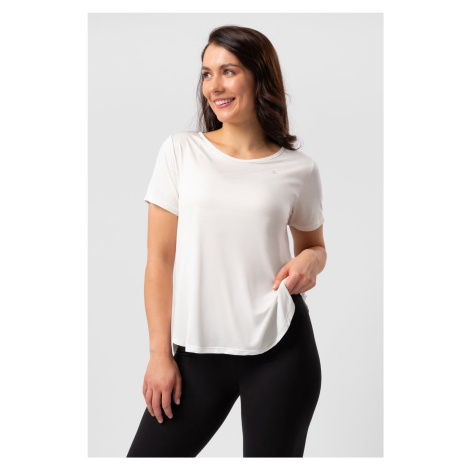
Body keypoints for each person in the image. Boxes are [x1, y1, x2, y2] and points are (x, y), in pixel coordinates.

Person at [127, 25, 327, 458]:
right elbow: (159, 260)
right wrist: (160, 355)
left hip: (281, 348)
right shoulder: (181, 152)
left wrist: (310, 261)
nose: (213, 86)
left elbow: (315, 245)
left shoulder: (299, 168)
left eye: (229, 71)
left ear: (259, 77)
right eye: (206, 73)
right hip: (197, 353)